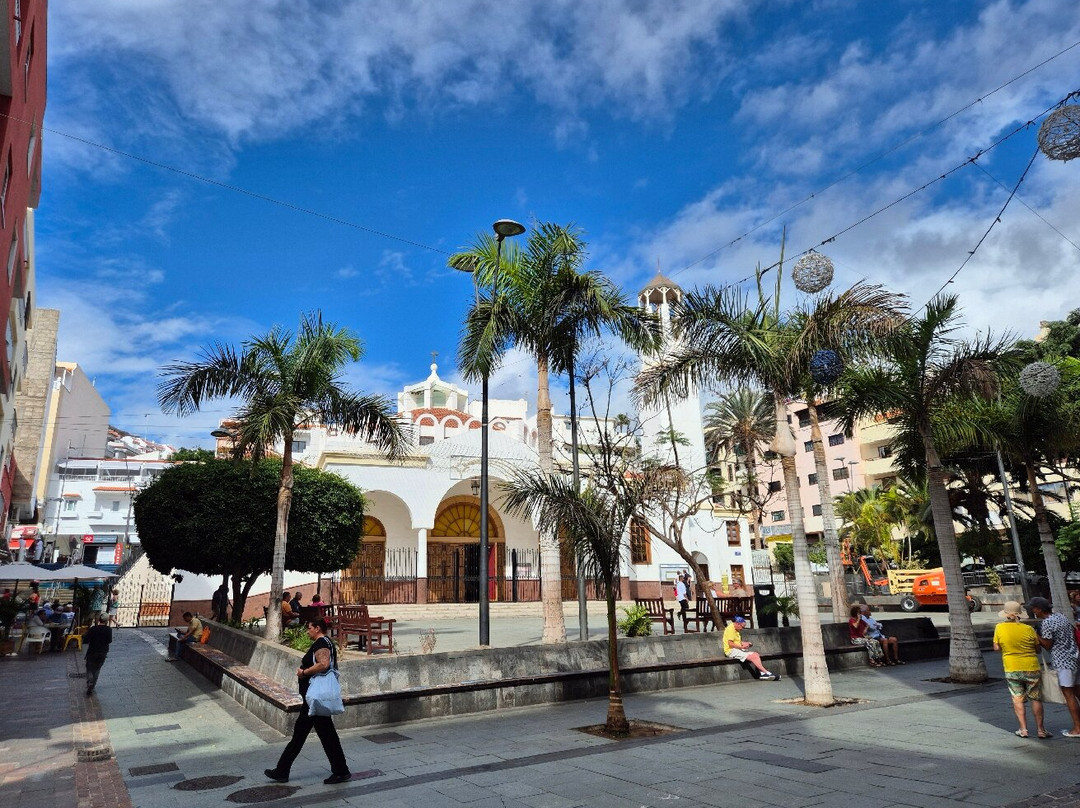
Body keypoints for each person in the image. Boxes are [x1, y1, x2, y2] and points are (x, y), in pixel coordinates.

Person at [265, 618, 351, 785]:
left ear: (317, 628)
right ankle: (341, 770)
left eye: (309, 627)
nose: (307, 631)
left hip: (314, 701)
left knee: (301, 735)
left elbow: (324, 664)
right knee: (326, 736)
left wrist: (304, 672)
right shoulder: (325, 642)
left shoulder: (321, 643)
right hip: (314, 701)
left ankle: (282, 771)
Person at [992, 600, 1048, 738]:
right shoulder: (1029, 629)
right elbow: (1037, 649)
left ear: (1005, 614)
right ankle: (1041, 730)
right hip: (1031, 667)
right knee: (1035, 698)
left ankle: (1023, 730)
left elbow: (996, 648)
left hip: (1012, 668)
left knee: (1017, 699)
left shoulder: (999, 628)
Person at [1026, 597, 1080, 738]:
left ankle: (1077, 728)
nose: (1033, 611)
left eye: (1033, 609)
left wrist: (1036, 634)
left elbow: (1047, 644)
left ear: (1039, 608)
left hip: (1063, 661)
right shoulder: (1060, 616)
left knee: (1069, 695)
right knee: (1078, 692)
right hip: (1075, 656)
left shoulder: (1047, 623)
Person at [722, 615, 778, 680]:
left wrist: (746, 643)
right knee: (752, 657)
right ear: (737, 624)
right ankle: (767, 672)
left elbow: (736, 642)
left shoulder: (736, 629)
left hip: (736, 649)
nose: (742, 628)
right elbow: (730, 644)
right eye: (742, 626)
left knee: (756, 654)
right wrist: (741, 646)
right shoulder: (730, 629)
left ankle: (762, 674)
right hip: (731, 651)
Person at [84, 615, 112, 696]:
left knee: (89, 668)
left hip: (92, 651)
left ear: (99, 620)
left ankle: (90, 681)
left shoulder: (93, 629)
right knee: (97, 669)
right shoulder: (108, 630)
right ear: (106, 621)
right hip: (102, 652)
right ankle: (92, 685)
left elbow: (86, 640)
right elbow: (109, 640)